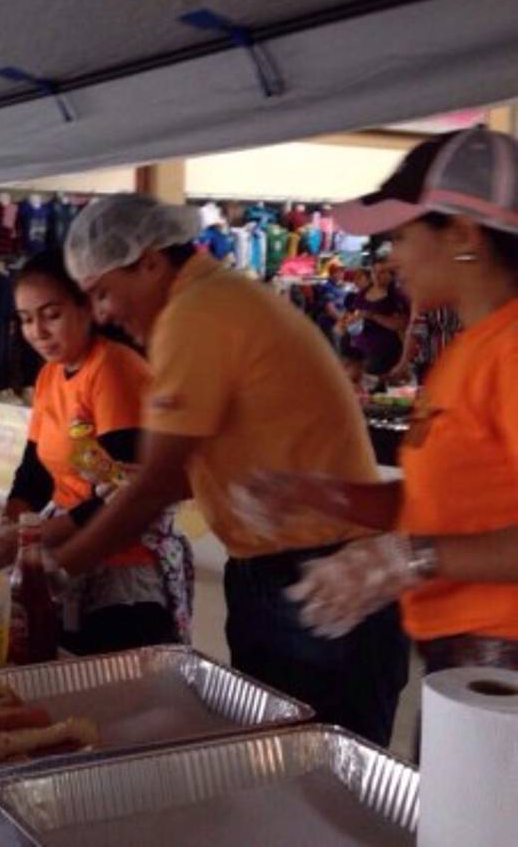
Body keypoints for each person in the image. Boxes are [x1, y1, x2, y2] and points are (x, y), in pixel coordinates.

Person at [50, 193, 408, 746]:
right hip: (278, 571)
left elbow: (158, 482)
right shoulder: (207, 301)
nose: (102, 314)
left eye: (102, 292)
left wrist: (60, 568)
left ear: (149, 262)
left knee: (322, 774)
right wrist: (63, 530)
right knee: (277, 761)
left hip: (322, 577)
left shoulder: (195, 314)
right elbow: (176, 472)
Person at [236, 127, 518, 678]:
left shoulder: (510, 349)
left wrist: (408, 558)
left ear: (463, 234)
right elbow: (442, 506)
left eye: (401, 237)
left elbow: (430, 538)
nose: (392, 258)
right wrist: (320, 494)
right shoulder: (469, 350)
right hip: (463, 665)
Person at [1, 250, 193, 652]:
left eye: (51, 315)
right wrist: (8, 528)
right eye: (26, 319)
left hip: (121, 564)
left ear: (86, 307)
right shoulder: (50, 375)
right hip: (67, 548)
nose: (38, 331)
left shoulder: (112, 368)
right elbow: (34, 473)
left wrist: (33, 538)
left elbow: (123, 492)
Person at [343, 254, 410, 376]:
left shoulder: (396, 296)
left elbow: (401, 325)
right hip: (358, 346)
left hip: (382, 350)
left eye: (382, 272)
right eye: (374, 272)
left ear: (391, 274)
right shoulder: (363, 293)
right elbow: (354, 315)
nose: (377, 276)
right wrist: (350, 323)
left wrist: (373, 316)